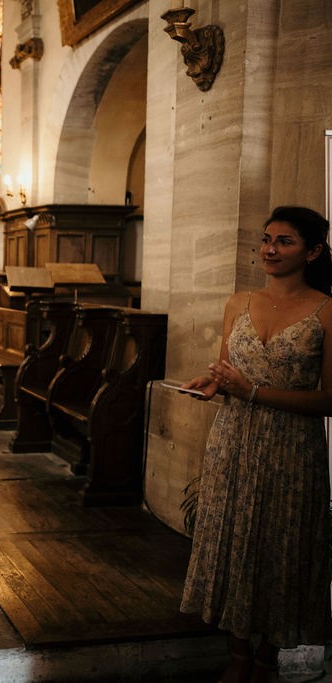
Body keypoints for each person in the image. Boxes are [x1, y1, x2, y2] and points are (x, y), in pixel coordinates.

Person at [180, 206, 332, 683]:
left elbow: (330, 399)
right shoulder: (237, 302)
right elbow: (229, 371)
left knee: (280, 548)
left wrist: (254, 392)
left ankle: (267, 661)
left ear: (313, 251)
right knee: (235, 543)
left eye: (284, 241)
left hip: (293, 448)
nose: (269, 249)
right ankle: (237, 657)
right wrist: (213, 382)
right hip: (233, 441)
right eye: (266, 239)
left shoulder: (327, 310)